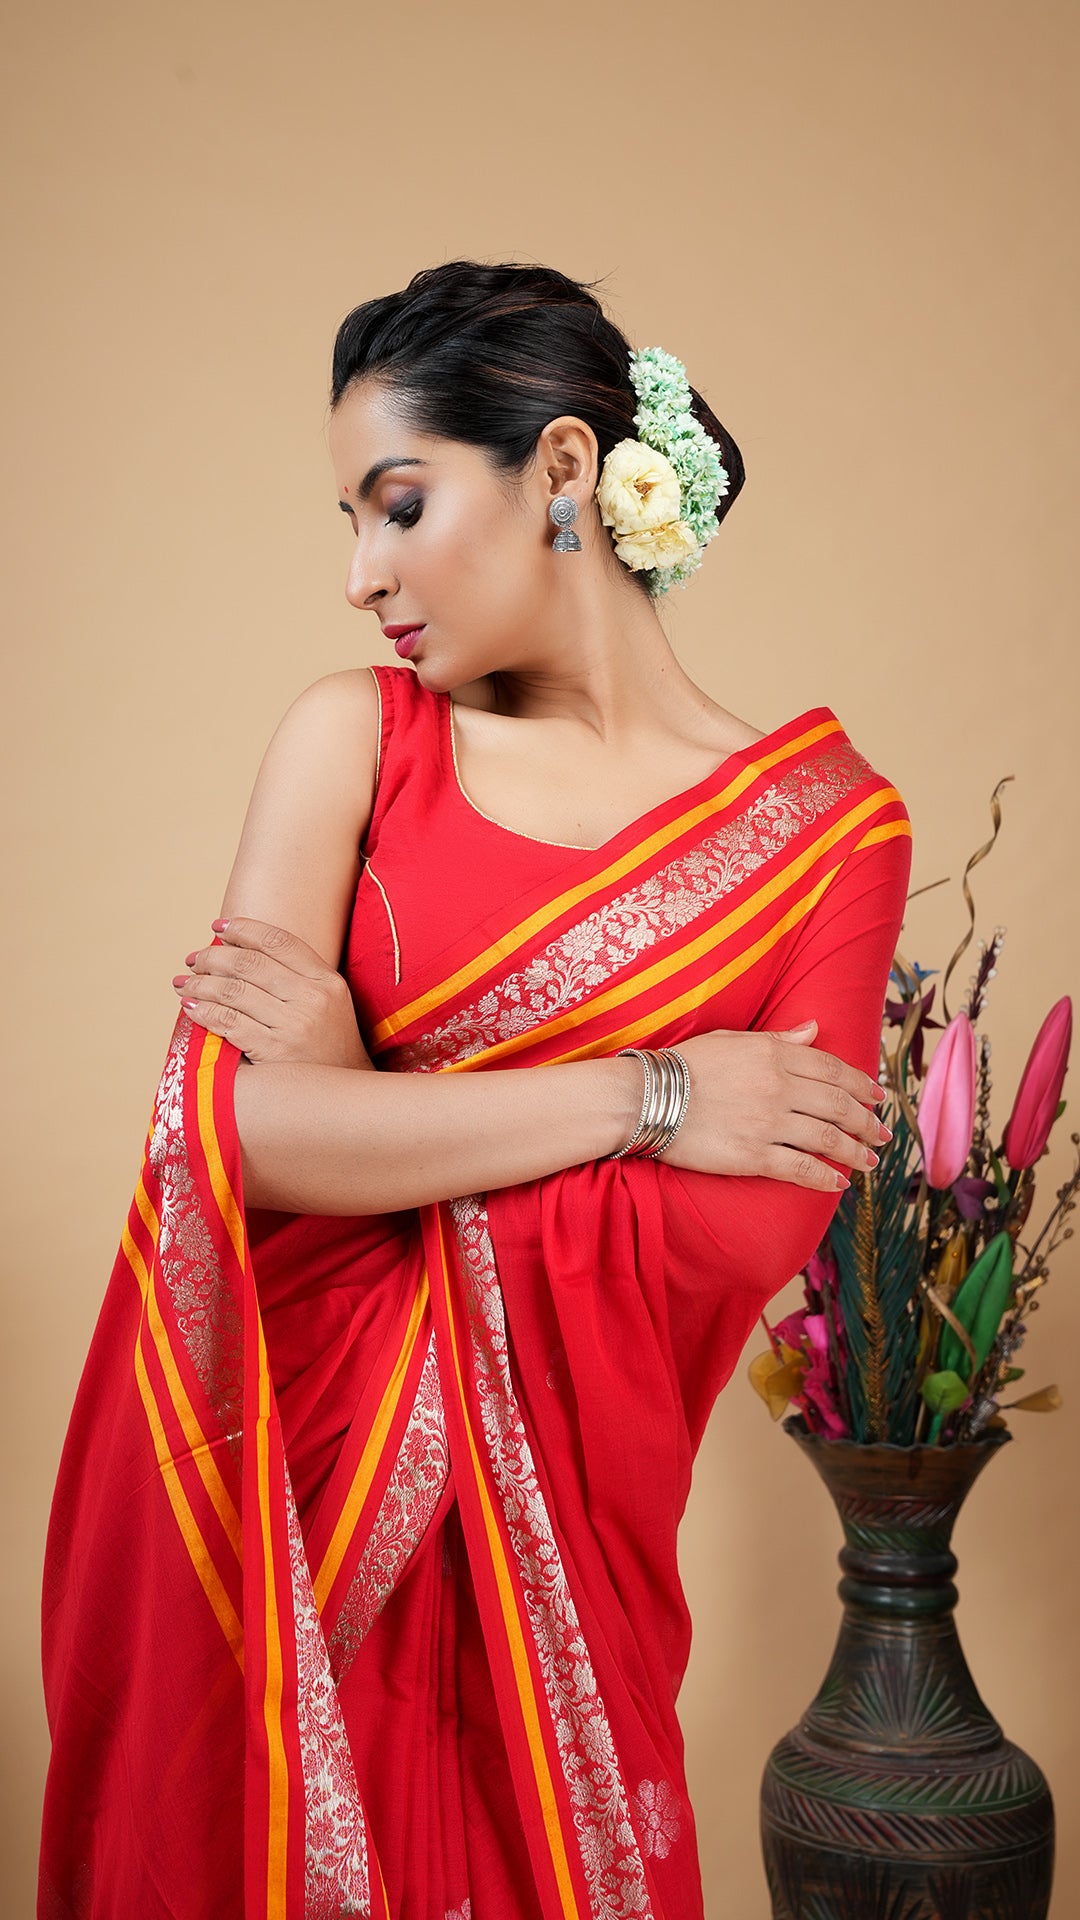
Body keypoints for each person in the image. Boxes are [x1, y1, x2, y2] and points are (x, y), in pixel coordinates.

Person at [39, 260, 912, 1920]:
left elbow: (743, 1243)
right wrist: (653, 1092)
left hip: (577, 1562)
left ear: (567, 472)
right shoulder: (354, 740)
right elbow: (236, 1137)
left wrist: (371, 1101)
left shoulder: (825, 835)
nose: (362, 576)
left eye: (399, 506)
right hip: (287, 1524)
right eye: (351, 523)